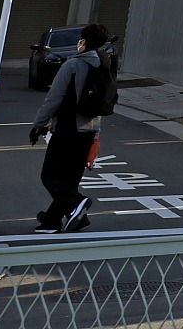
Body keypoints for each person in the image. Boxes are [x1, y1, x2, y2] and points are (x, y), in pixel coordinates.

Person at [29, 23, 111, 233]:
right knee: (70, 179)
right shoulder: (104, 65)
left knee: (49, 175)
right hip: (89, 129)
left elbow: (53, 98)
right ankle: (52, 220)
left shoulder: (73, 65)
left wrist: (38, 124)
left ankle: (77, 202)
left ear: (83, 41)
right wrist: (96, 134)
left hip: (67, 128)